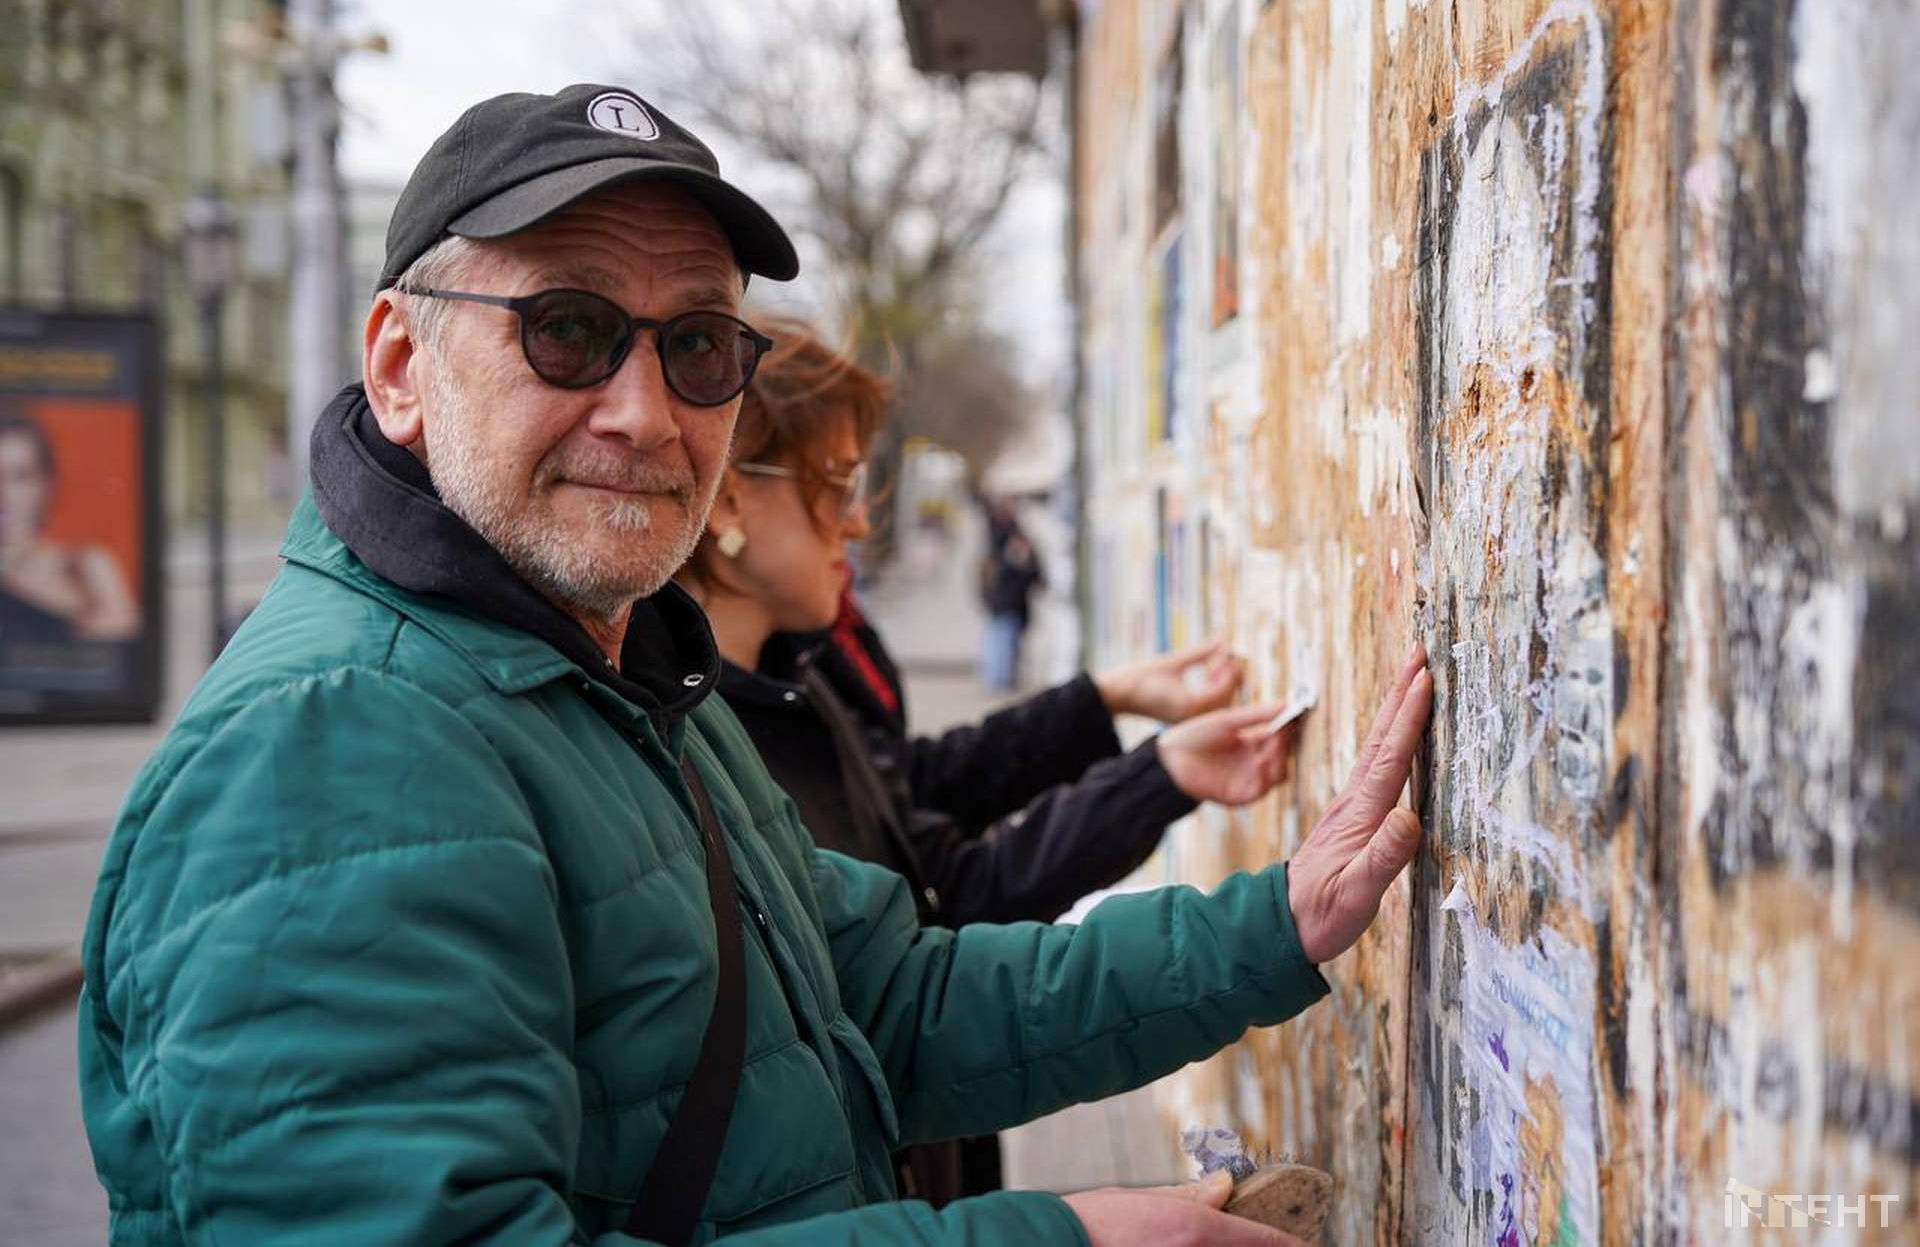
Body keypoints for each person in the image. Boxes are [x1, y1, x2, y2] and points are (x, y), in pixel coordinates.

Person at [79, 84, 1433, 1246]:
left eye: (698, 346)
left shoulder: (629, 678)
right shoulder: (334, 746)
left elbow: (887, 1003)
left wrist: (1273, 925)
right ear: (400, 366)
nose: (642, 410)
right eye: (567, 329)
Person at [676, 320, 1296, 1203]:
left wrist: (1141, 752)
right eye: (836, 484)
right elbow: (942, 917)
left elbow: (925, 843)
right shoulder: (704, 747)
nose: (859, 520)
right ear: (731, 500)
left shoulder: (795, 686)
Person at [0, 410, 139, 642]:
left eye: (20, 476)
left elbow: (123, 636)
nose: (4, 493)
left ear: (45, 485)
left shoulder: (81, 565)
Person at [977, 502, 1042, 690]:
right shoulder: (1006, 557)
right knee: (1002, 643)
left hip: (1005, 606)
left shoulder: (1001, 552)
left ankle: (998, 678)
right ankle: (1000, 679)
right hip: (1006, 606)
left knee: (1001, 642)